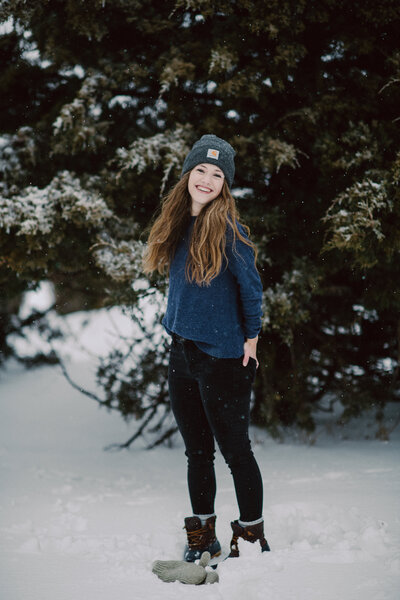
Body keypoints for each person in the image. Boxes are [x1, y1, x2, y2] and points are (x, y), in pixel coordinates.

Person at [143, 134, 270, 561]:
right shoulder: (177, 223)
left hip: (223, 358)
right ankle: (203, 536)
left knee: (235, 451)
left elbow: (252, 291)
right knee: (197, 452)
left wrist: (250, 339)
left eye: (217, 174)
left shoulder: (228, 230)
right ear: (187, 174)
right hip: (182, 352)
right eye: (201, 170)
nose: (207, 179)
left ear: (225, 184)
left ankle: (251, 537)